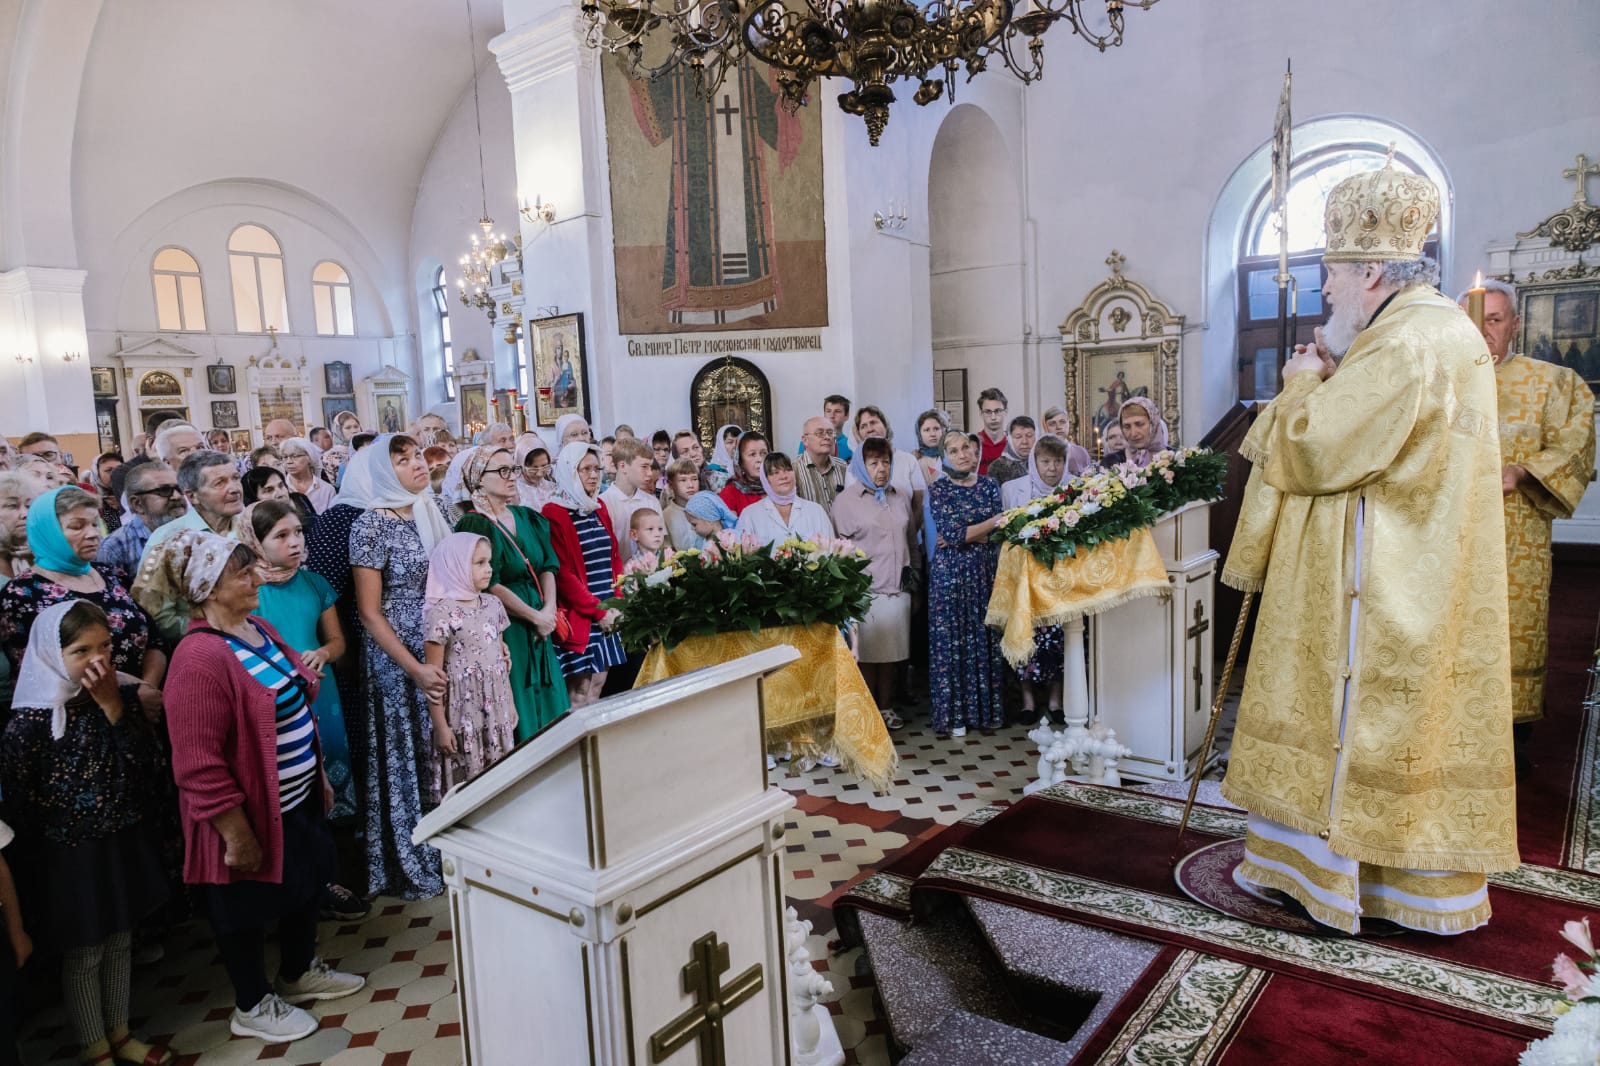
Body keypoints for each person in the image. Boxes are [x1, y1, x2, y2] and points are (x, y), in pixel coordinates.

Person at [1220, 165, 1515, 935]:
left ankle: (1328, 878)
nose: (1326, 292)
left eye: (1333, 275)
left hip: (1371, 587)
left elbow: (1315, 449)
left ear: (1372, 271)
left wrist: (1297, 384)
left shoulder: (1403, 343)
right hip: (1415, 569)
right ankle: (1399, 887)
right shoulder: (1445, 330)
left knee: (1353, 721)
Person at [157, 532, 365, 1043]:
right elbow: (198, 766)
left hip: (295, 796)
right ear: (205, 587)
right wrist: (235, 833)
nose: (257, 578)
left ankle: (297, 973)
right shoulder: (198, 659)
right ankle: (251, 1003)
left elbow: (295, 704)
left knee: (305, 881)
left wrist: (315, 776)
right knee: (242, 909)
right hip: (244, 814)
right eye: (242, 573)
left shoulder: (258, 628)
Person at [0, 601, 172, 1066]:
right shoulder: (28, 724)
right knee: (84, 952)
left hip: (118, 841)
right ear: (52, 655)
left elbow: (144, 766)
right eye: (82, 651)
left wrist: (116, 708)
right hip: (68, 859)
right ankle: (94, 1047)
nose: (98, 662)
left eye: (106, 647)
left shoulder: (111, 700)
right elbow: (20, 807)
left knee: (120, 940)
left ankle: (119, 1033)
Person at [1457, 277, 1594, 766]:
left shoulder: (1552, 382)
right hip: (1442, 533)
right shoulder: (1436, 383)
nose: (1484, 329)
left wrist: (1522, 471)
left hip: (1518, 532)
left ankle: (1512, 740)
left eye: (1494, 320)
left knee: (1513, 626)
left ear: (1514, 324)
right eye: (1475, 319)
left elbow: (1575, 443)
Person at [345, 435, 451, 901]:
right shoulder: (370, 525)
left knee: (443, 743)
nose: (417, 466)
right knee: (407, 748)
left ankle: (452, 843)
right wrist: (413, 668)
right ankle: (412, 854)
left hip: (440, 642)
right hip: (397, 657)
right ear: (384, 472)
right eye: (402, 461)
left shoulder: (433, 509)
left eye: (417, 457)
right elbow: (369, 613)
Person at [238, 501, 359, 828]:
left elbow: (337, 642)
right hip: (276, 694)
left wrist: (322, 654)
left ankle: (339, 852)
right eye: (281, 535)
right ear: (253, 541)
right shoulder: (248, 592)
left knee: (332, 758)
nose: (295, 542)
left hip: (323, 689)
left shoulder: (314, 583)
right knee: (293, 770)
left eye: (298, 532)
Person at [4, 488, 165, 715]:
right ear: (48, 532)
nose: (92, 534)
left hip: (145, 710)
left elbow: (154, 640)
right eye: (77, 526)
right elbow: (39, 676)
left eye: (93, 524)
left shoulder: (112, 575)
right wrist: (128, 696)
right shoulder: (23, 593)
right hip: (81, 722)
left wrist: (148, 688)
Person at [454, 447, 570, 740]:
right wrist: (533, 617)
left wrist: (548, 612)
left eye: (513, 469)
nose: (511, 477)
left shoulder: (526, 516)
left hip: (540, 617)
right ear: (478, 479)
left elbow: (547, 566)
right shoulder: (474, 523)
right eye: (502, 471)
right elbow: (488, 582)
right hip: (509, 626)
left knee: (551, 695)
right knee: (518, 692)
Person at [422, 533, 520, 801]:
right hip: (461, 712)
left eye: (489, 562)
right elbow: (434, 679)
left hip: (494, 706)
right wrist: (440, 726)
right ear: (455, 565)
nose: (488, 569)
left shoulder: (493, 604)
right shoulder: (441, 613)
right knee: (466, 784)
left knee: (497, 780)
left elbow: (501, 661)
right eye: (479, 563)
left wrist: (509, 703)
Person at [831, 438, 913, 731]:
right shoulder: (846, 501)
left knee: (891, 654)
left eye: (886, 462)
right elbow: (838, 549)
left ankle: (886, 706)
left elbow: (910, 539)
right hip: (864, 590)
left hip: (897, 589)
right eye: (874, 463)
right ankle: (867, 709)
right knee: (865, 654)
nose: (881, 469)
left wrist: (912, 577)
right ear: (861, 466)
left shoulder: (900, 495)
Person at [927, 430, 1004, 738]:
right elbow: (951, 532)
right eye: (954, 450)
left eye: (966, 448)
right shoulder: (940, 489)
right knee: (952, 644)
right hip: (949, 578)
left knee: (984, 639)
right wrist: (989, 524)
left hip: (984, 573)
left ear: (975, 452)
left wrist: (970, 532)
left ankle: (986, 715)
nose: (962, 454)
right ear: (945, 457)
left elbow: (999, 532)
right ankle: (954, 716)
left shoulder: (989, 485)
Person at [542, 442, 625, 709]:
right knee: (579, 691)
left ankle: (596, 747)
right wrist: (598, 611)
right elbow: (563, 575)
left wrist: (618, 601)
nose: (593, 475)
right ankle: (577, 749)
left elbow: (614, 556)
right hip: (583, 614)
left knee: (598, 685)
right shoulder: (554, 511)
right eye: (585, 469)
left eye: (597, 468)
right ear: (569, 471)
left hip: (608, 609)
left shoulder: (598, 506)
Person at [1000, 436, 1072, 720]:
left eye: (1058, 461)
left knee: (1060, 639)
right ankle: (1028, 699)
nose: (1052, 468)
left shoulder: (1074, 488)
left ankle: (1056, 700)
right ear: (1034, 462)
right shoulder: (1012, 489)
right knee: (1027, 636)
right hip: (1025, 579)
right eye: (1045, 461)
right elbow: (1005, 535)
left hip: (1062, 579)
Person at [140, 451, 244, 574]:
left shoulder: (254, 525)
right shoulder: (166, 540)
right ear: (192, 496)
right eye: (219, 483)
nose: (235, 489)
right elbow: (149, 592)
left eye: (236, 478)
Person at [97, 461, 187, 575]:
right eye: (164, 490)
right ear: (137, 504)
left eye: (179, 488)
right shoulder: (115, 548)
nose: (177, 496)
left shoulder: (198, 532)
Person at [735, 453, 833, 545]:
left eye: (787, 470)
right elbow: (743, 555)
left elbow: (831, 550)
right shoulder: (750, 515)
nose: (784, 476)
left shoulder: (816, 511)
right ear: (765, 480)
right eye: (775, 472)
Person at [600, 437, 663, 564]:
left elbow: (660, 545)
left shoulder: (651, 502)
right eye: (644, 466)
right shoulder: (603, 503)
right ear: (623, 466)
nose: (650, 473)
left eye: (650, 467)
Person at [241, 465, 319, 541]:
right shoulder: (251, 535)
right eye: (269, 490)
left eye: (281, 486)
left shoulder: (301, 503)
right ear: (253, 500)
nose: (280, 493)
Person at [1098, 396, 1168, 469]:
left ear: (1153, 424)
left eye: (1139, 424)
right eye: (1127, 426)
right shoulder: (1110, 462)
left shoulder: (1176, 460)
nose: (1133, 433)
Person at [796, 416, 849, 510]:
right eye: (820, 433)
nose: (827, 437)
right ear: (805, 440)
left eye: (830, 433)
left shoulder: (843, 466)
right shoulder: (793, 470)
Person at [278, 437, 336, 514]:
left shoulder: (327, 490)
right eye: (285, 457)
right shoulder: (280, 488)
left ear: (309, 457)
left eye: (295, 456)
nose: (289, 462)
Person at [719, 432, 769, 516]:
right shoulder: (730, 493)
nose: (759, 459)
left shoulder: (777, 485)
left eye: (764, 453)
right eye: (752, 454)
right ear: (740, 461)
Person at [661, 459, 703, 550]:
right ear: (671, 485)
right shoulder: (666, 516)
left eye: (694, 479)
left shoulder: (706, 511)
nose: (690, 485)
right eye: (683, 480)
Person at [1039, 406, 1093, 475]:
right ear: (1045, 427)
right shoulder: (1040, 454)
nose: (1058, 427)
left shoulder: (1081, 452)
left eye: (1062, 422)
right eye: (1052, 423)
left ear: (1068, 424)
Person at [985, 416, 1035, 487]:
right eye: (1018, 437)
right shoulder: (997, 466)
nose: (1024, 441)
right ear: (1010, 439)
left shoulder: (1045, 462)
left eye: (1029, 436)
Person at [80, 452, 124, 534]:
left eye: (120, 468)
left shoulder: (132, 497)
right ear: (97, 474)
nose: (115, 473)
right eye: (109, 470)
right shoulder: (91, 502)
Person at [514, 433, 556, 510]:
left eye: (544, 466)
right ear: (521, 466)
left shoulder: (552, 487)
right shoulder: (514, 491)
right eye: (533, 469)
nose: (539, 474)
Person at [974, 388, 1009, 475]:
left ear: (1006, 411)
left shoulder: (1013, 444)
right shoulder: (973, 443)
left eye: (997, 411)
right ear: (981, 413)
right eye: (988, 412)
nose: (993, 417)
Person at [707, 423, 743, 489]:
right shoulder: (711, 470)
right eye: (730, 442)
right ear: (721, 445)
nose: (735, 446)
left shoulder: (745, 466)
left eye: (738, 442)